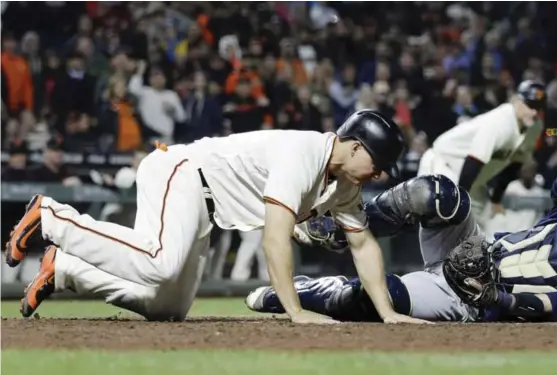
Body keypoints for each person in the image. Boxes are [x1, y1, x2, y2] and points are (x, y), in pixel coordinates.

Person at [246, 82, 557, 322]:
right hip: (470, 250)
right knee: (438, 193)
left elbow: (553, 305)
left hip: (474, 299)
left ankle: (309, 292)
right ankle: (337, 230)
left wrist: (498, 299)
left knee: (373, 299)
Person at [7, 109, 429, 325]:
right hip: (183, 171)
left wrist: (387, 312)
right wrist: (296, 310)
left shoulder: (347, 186)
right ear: (354, 146)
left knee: (166, 307)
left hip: (207, 206)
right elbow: (275, 239)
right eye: (379, 162)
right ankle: (52, 216)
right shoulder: (304, 153)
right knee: (159, 262)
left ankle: (65, 270)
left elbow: (363, 243)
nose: (383, 174)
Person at [417, 80, 546, 231]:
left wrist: (496, 199)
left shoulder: (535, 126)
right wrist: (460, 200)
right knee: (447, 227)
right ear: (517, 100)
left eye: (539, 108)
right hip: (442, 164)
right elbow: (474, 160)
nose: (534, 112)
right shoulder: (500, 121)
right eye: (530, 106)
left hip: (472, 178)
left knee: (489, 225)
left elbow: (516, 164)